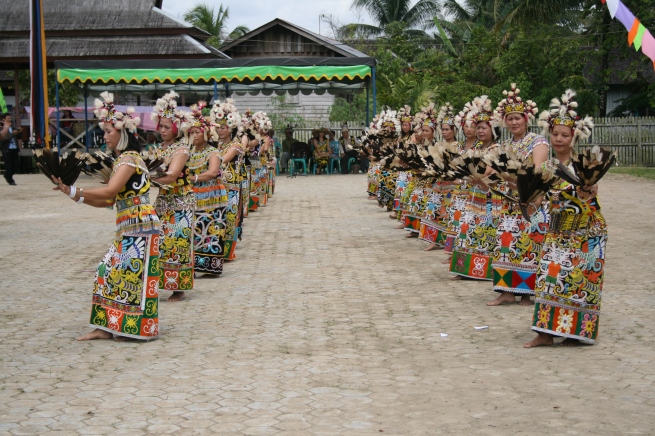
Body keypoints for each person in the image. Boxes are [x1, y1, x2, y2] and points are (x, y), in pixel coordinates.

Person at [52, 92, 160, 340]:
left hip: (140, 225)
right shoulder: (122, 161)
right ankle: (108, 327)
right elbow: (109, 201)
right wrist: (72, 193)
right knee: (111, 271)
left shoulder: (129, 158)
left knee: (126, 274)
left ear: (122, 133)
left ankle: (127, 329)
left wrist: (76, 190)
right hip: (130, 224)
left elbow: (110, 191)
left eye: (109, 131)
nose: (105, 136)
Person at [525, 90, 605, 348]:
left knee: (577, 281)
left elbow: (591, 197)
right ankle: (546, 333)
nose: (558, 139)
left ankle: (574, 332)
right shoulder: (545, 167)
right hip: (556, 232)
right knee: (549, 277)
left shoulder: (584, 164)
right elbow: (536, 201)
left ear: (574, 137)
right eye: (555, 134)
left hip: (584, 233)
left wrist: (586, 192)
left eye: (565, 135)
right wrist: (529, 200)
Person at [487, 84, 550, 307]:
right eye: (510, 118)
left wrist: (525, 190)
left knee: (527, 246)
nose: (514, 122)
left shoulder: (538, 142)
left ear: (526, 119)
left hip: (530, 201)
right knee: (506, 244)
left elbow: (539, 171)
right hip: (508, 202)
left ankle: (526, 294)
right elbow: (493, 171)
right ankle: (506, 291)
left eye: (518, 118)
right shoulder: (504, 145)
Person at [449, 96, 500, 280]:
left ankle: (482, 272)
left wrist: (463, 176)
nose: (479, 131)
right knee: (467, 230)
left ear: (493, 129)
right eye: (477, 127)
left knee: (485, 233)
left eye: (483, 127)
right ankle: (464, 270)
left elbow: (485, 171)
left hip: (489, 200)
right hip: (473, 196)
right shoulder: (476, 147)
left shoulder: (497, 148)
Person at [150, 91, 194, 302]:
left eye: (167, 127)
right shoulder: (158, 148)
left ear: (177, 128)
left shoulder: (182, 148)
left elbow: (173, 175)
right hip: (162, 201)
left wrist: (146, 178)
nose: (163, 130)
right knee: (160, 243)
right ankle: (161, 282)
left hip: (180, 201)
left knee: (177, 242)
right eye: (161, 126)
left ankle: (179, 288)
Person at [186, 105, 227, 277]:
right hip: (194, 197)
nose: (194, 135)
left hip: (212, 198)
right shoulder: (188, 152)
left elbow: (212, 172)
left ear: (206, 134)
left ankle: (211, 267)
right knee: (194, 231)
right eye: (191, 132)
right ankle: (193, 265)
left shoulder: (213, 152)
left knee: (211, 230)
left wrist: (192, 178)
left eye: (197, 132)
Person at [420, 103, 460, 251]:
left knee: (447, 215)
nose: (444, 132)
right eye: (442, 129)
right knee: (434, 210)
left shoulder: (458, 146)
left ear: (454, 130)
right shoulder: (438, 144)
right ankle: (433, 240)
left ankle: (447, 244)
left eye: (447, 129)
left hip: (452, 186)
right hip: (438, 185)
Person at [211, 99, 245, 260]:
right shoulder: (215, 145)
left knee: (230, 218)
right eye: (218, 127)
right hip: (217, 187)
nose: (220, 131)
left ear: (231, 127)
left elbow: (223, 160)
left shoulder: (236, 145)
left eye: (223, 127)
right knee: (217, 218)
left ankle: (228, 252)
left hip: (231, 188)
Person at [0, 113, 22, 186]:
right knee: (8, 165)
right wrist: (13, 134)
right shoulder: (1, 128)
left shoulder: (13, 127)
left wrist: (19, 132)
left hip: (14, 148)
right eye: (8, 118)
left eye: (10, 118)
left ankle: (7, 175)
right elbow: (3, 139)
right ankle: (10, 180)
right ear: (3, 119)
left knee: (16, 165)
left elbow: (19, 137)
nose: (10, 119)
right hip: (7, 149)